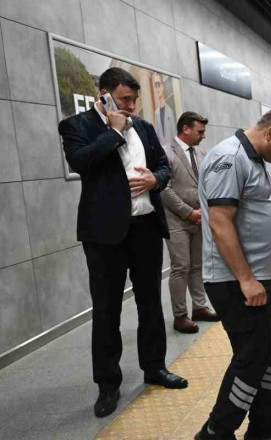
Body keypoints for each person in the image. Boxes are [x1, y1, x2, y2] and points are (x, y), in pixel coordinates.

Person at [58, 67, 188, 418]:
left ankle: (155, 368)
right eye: (124, 99)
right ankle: (108, 385)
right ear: (104, 95)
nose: (131, 106)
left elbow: (163, 166)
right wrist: (114, 132)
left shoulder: (144, 128)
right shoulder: (76, 127)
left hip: (145, 228)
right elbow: (82, 162)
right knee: (107, 310)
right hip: (103, 235)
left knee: (150, 304)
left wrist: (154, 181)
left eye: (134, 99)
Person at [195, 109, 271, 440]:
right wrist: (246, 278)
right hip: (234, 282)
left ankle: (265, 419)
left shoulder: (253, 157)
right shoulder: (229, 157)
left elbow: (252, 214)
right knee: (253, 354)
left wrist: (269, 261)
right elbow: (220, 221)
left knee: (265, 348)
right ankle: (217, 430)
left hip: (256, 276)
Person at [160, 111, 219, 334]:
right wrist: (187, 212)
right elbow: (163, 188)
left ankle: (200, 307)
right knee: (180, 267)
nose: (203, 136)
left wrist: (204, 211)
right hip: (176, 220)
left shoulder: (202, 152)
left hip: (200, 219)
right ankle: (180, 315)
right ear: (186, 129)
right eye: (200, 131)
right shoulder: (166, 153)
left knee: (198, 266)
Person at [152, 72, 176, 147]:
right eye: (155, 85)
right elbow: (157, 135)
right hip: (163, 151)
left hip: (172, 150)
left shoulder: (170, 110)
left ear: (163, 86)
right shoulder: (156, 113)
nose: (157, 88)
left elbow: (174, 134)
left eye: (159, 84)